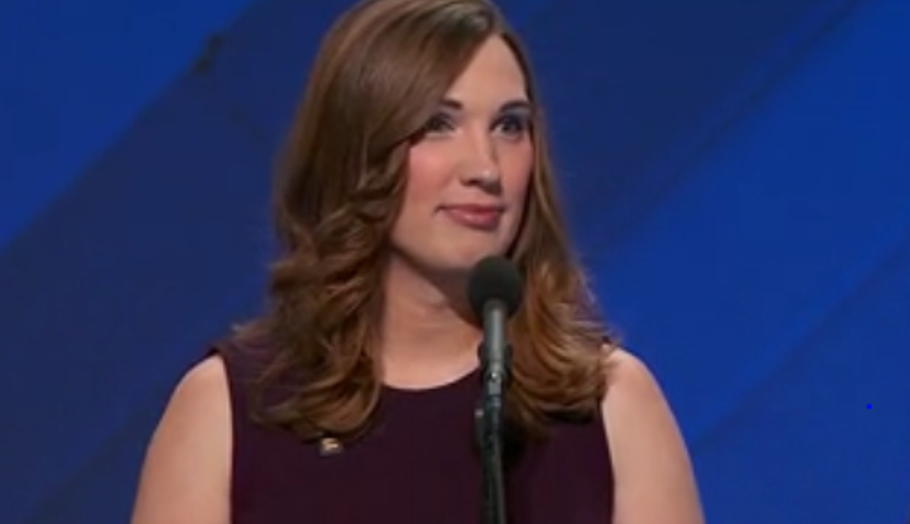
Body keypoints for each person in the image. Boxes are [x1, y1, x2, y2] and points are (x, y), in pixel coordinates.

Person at [130, 0, 704, 522]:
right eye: (438, 124)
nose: (485, 166)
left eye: (509, 126)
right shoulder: (228, 414)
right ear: (356, 153)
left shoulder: (610, 407)